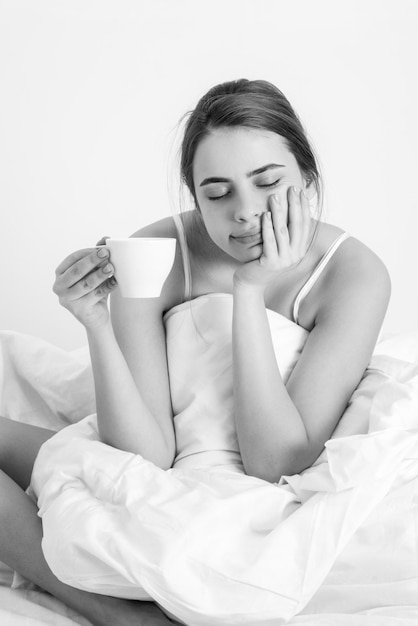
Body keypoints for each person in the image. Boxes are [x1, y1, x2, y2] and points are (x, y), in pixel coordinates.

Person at [0, 79, 391, 626]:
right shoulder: (155, 253)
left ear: (307, 177)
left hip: (257, 491)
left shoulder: (354, 274)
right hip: (162, 466)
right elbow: (146, 452)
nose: (246, 212)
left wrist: (248, 292)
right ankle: (108, 612)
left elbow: (274, 463)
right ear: (194, 196)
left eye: (268, 182)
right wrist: (94, 322)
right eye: (217, 192)